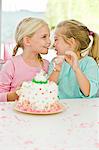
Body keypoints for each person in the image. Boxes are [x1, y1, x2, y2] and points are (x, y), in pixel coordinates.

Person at [0, 17, 51, 102]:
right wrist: (14, 95)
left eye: (49, 36)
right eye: (44, 37)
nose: (49, 41)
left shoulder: (47, 65)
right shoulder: (11, 65)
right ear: (27, 41)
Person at [48, 19, 99, 99]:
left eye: (56, 39)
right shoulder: (55, 62)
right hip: (60, 108)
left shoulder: (89, 63)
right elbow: (47, 91)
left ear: (71, 42)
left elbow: (87, 92)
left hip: (84, 109)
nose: (54, 44)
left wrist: (76, 68)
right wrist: (57, 70)